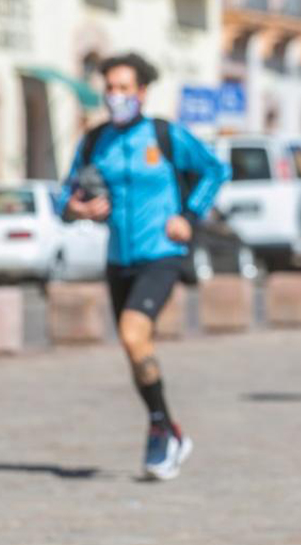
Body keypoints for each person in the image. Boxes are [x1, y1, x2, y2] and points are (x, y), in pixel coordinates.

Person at [55, 52, 229, 480]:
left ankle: (160, 429)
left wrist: (188, 216)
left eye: (123, 88)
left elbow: (214, 169)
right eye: (109, 88)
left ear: (142, 92)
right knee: (136, 349)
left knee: (135, 333)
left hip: (161, 253)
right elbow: (64, 196)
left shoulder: (164, 134)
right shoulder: (95, 141)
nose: (115, 96)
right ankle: (167, 428)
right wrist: (78, 209)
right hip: (119, 259)